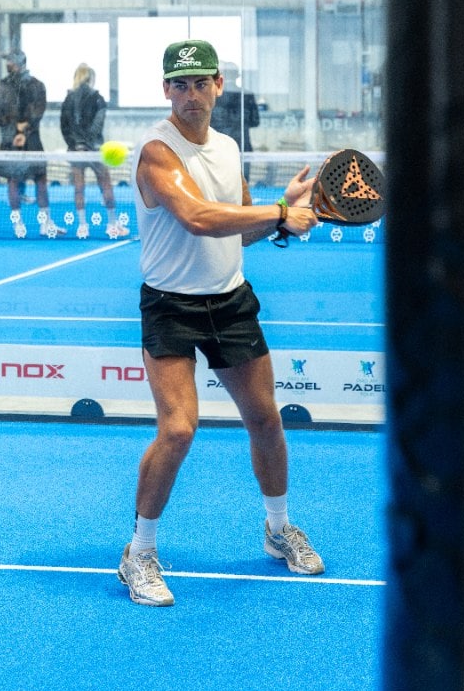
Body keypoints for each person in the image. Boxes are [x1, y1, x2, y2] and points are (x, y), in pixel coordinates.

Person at [117, 39, 323, 607]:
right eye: (180, 84)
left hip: (230, 301)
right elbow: (198, 217)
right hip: (171, 305)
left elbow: (241, 230)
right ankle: (139, 553)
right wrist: (281, 212)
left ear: (218, 87)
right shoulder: (156, 152)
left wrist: (279, 214)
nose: (191, 94)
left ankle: (278, 529)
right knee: (179, 430)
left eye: (201, 82)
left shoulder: (229, 149)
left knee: (265, 418)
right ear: (166, 90)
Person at [0, 50, 65, 237]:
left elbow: (35, 112)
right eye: (7, 61)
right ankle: (20, 225)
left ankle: (44, 224)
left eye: (11, 61)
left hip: (25, 141)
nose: (8, 64)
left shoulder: (33, 86)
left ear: (20, 63)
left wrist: (19, 129)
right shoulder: (3, 87)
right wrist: (19, 128)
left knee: (38, 180)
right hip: (18, 140)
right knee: (16, 181)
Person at [60, 63, 129, 240]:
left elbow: (64, 127)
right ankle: (112, 224)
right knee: (105, 184)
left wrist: (76, 145)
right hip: (95, 150)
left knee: (79, 188)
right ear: (91, 78)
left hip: (75, 150)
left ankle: (82, 226)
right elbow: (97, 125)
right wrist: (89, 145)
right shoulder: (98, 98)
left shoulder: (68, 99)